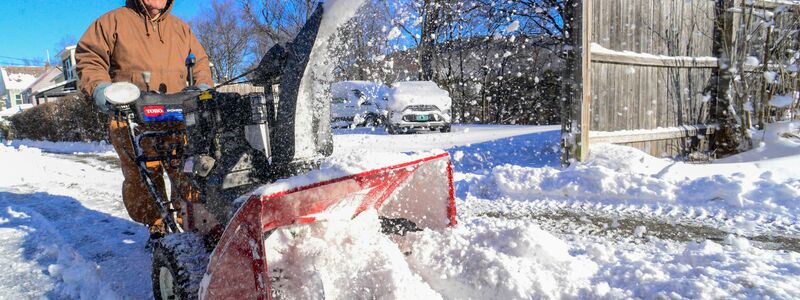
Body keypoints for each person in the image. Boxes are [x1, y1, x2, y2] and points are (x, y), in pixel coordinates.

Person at [75, 0, 213, 235]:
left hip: (176, 113)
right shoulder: (113, 22)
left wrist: (202, 86)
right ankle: (157, 227)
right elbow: (90, 59)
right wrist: (100, 89)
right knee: (143, 176)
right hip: (132, 115)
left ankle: (193, 223)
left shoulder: (180, 28)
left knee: (189, 169)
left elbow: (200, 62)